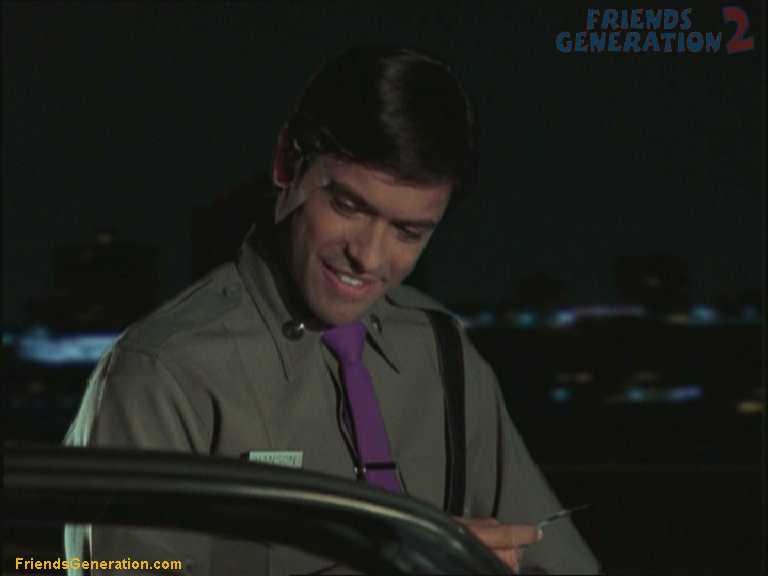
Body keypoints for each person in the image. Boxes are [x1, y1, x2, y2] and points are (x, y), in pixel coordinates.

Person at [64, 45, 600, 575]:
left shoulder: (445, 357)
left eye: (408, 232)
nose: (369, 257)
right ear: (286, 162)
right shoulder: (163, 374)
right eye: (347, 205)